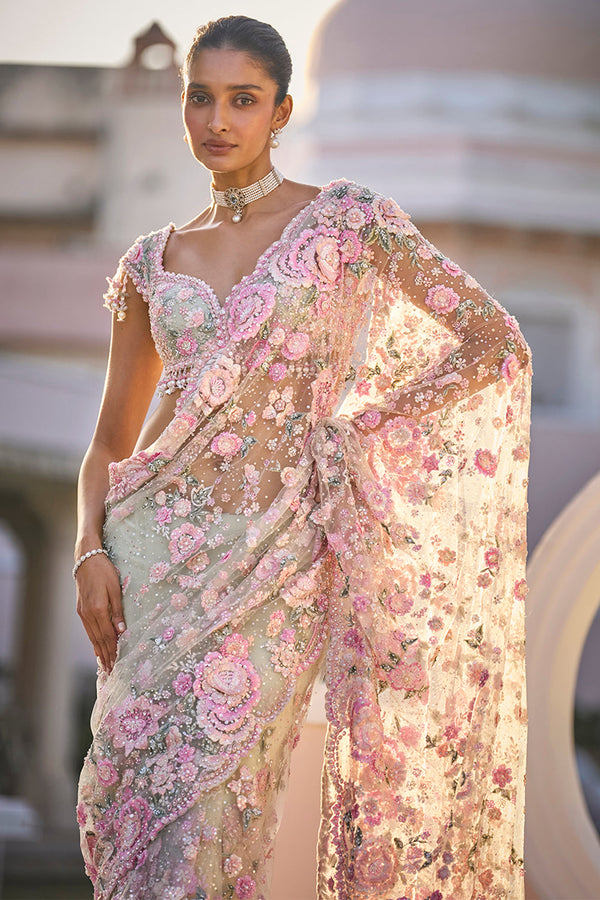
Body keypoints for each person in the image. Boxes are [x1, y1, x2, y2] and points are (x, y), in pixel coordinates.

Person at [75, 15, 532, 900]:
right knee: (124, 811)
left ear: (281, 111)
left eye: (243, 100)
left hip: (273, 576)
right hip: (145, 573)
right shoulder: (150, 263)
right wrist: (89, 552)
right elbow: (108, 444)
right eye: (200, 98)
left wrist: (359, 428)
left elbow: (491, 342)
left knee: (212, 824)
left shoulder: (349, 221)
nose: (219, 119)